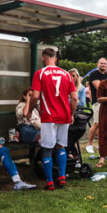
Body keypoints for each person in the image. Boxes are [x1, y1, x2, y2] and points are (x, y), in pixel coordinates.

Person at [26, 48, 77, 190]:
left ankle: (49, 182)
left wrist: (30, 111)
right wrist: (71, 114)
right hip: (64, 115)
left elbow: (35, 96)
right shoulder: (67, 74)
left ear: (43, 58)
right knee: (61, 146)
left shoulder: (40, 73)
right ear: (55, 58)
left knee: (47, 149)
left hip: (49, 116)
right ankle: (62, 176)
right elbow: (74, 98)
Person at [84, 58, 107, 155]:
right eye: (101, 63)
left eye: (105, 64)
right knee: (97, 123)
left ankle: (100, 143)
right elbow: (100, 87)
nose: (103, 65)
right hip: (98, 102)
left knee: (103, 124)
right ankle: (89, 144)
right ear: (98, 64)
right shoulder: (94, 74)